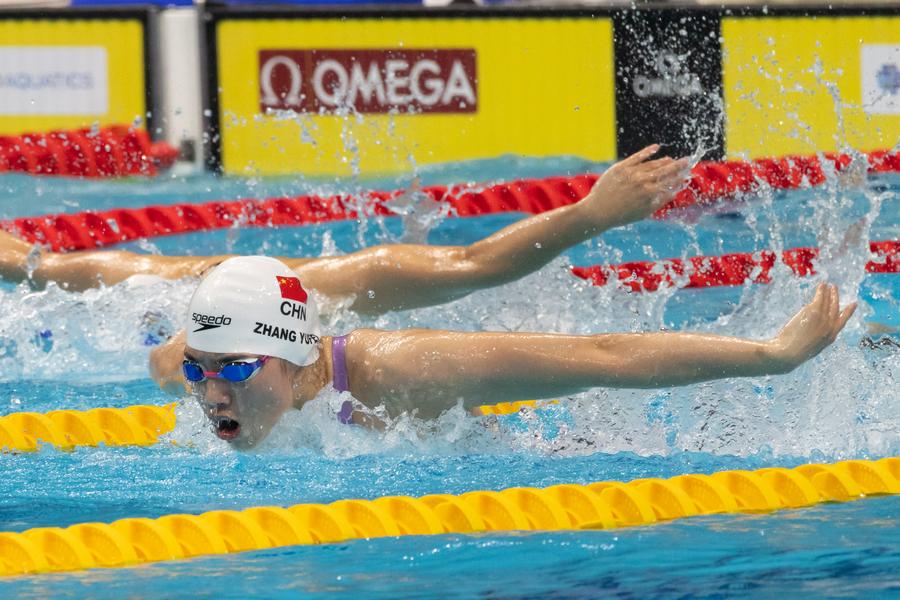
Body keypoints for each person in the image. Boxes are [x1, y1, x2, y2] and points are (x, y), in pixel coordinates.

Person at [149, 255, 855, 449]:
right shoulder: (199, 374)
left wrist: (771, 355)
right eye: (199, 371)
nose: (212, 395)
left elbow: (603, 355)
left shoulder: (399, 371)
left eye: (235, 369)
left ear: (294, 357)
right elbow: (166, 360)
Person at [1, 145, 688, 315]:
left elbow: (476, 265)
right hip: (211, 289)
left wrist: (591, 214)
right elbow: (479, 264)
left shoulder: (341, 286)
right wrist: (590, 215)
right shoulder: (359, 279)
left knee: (48, 269)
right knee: (46, 269)